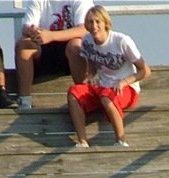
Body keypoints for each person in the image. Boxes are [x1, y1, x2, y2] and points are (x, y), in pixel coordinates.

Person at [67, 5, 150, 148]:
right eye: (90, 22)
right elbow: (93, 61)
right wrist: (91, 75)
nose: (94, 26)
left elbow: (145, 71)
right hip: (103, 87)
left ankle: (121, 140)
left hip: (126, 89)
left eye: (98, 22)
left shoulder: (121, 41)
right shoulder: (87, 41)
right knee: (74, 92)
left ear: (106, 23)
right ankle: (82, 141)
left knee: (106, 95)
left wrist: (124, 82)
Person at [14, 0, 91, 109]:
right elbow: (26, 26)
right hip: (43, 48)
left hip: (70, 51)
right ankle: (24, 101)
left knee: (76, 45)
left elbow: (84, 29)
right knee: (23, 45)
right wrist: (32, 31)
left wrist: (51, 36)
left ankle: (84, 97)